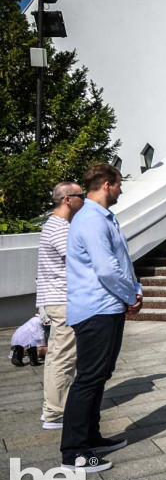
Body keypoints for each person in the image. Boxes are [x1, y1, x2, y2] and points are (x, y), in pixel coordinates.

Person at [61, 163, 142, 473]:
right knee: (89, 378)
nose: (121, 190)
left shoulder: (100, 217)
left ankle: (91, 437)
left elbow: (119, 261)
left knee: (99, 376)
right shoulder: (92, 220)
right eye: (119, 184)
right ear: (107, 184)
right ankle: (74, 451)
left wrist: (134, 290)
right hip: (97, 309)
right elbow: (107, 268)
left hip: (106, 307)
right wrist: (130, 295)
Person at [36, 181, 86, 430]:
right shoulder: (60, 228)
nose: (84, 199)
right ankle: (56, 413)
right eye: (81, 195)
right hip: (62, 299)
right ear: (68, 199)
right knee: (64, 356)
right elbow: (76, 262)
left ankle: (51, 409)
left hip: (55, 299)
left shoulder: (54, 225)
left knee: (57, 355)